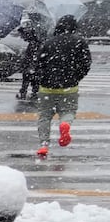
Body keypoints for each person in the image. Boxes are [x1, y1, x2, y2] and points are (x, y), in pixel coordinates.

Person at [34, 14, 93, 156]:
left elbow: (38, 64)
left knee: (44, 116)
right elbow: (86, 64)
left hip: (47, 87)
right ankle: (64, 124)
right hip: (69, 87)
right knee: (68, 111)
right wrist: (76, 77)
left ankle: (44, 145)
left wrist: (42, 79)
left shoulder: (49, 43)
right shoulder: (80, 42)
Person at [15, 18, 45, 103]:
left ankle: (25, 92)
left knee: (27, 78)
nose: (22, 37)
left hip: (31, 63)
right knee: (34, 78)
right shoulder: (36, 38)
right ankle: (33, 92)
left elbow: (31, 55)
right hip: (34, 63)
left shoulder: (33, 43)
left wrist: (27, 63)